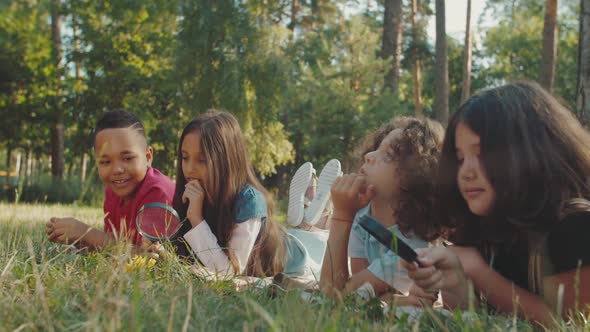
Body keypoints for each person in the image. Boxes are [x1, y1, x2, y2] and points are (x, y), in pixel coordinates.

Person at [402, 81, 590, 324]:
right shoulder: (488, 226)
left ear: (530, 152)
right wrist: (454, 280)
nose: (466, 172)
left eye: (481, 154)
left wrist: (478, 271)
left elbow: (567, 323)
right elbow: (479, 318)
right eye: (460, 158)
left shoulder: (576, 225)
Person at [171, 110, 318, 278]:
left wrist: (196, 220)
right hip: (267, 253)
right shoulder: (192, 194)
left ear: (226, 161)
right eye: (184, 157)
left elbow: (228, 273)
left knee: (318, 241)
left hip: (295, 262)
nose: (189, 169)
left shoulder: (249, 200)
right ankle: (310, 215)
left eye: (202, 160)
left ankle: (315, 209)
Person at [320, 116, 444, 305]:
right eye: (376, 149)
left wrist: (340, 216)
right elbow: (351, 287)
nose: (368, 156)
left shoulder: (413, 249)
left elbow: (335, 295)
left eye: (388, 154)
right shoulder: (362, 217)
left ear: (416, 179)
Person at [46, 110, 175, 250]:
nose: (116, 170)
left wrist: (85, 232)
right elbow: (114, 245)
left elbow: (148, 256)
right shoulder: (113, 190)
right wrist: (75, 238)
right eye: (106, 162)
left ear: (148, 157)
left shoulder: (158, 193)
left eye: (127, 158)